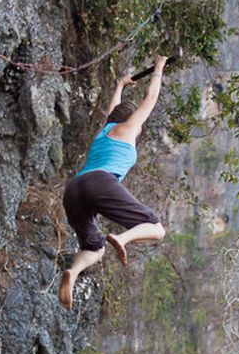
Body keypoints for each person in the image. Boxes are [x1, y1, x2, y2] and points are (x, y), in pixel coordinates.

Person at [58, 55, 169, 309]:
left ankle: (72, 274)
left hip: (74, 188)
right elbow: (150, 100)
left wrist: (120, 85)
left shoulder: (104, 131)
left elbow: (112, 110)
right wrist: (158, 70)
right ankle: (123, 238)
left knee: (94, 247)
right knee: (156, 228)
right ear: (130, 120)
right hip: (100, 182)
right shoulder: (128, 129)